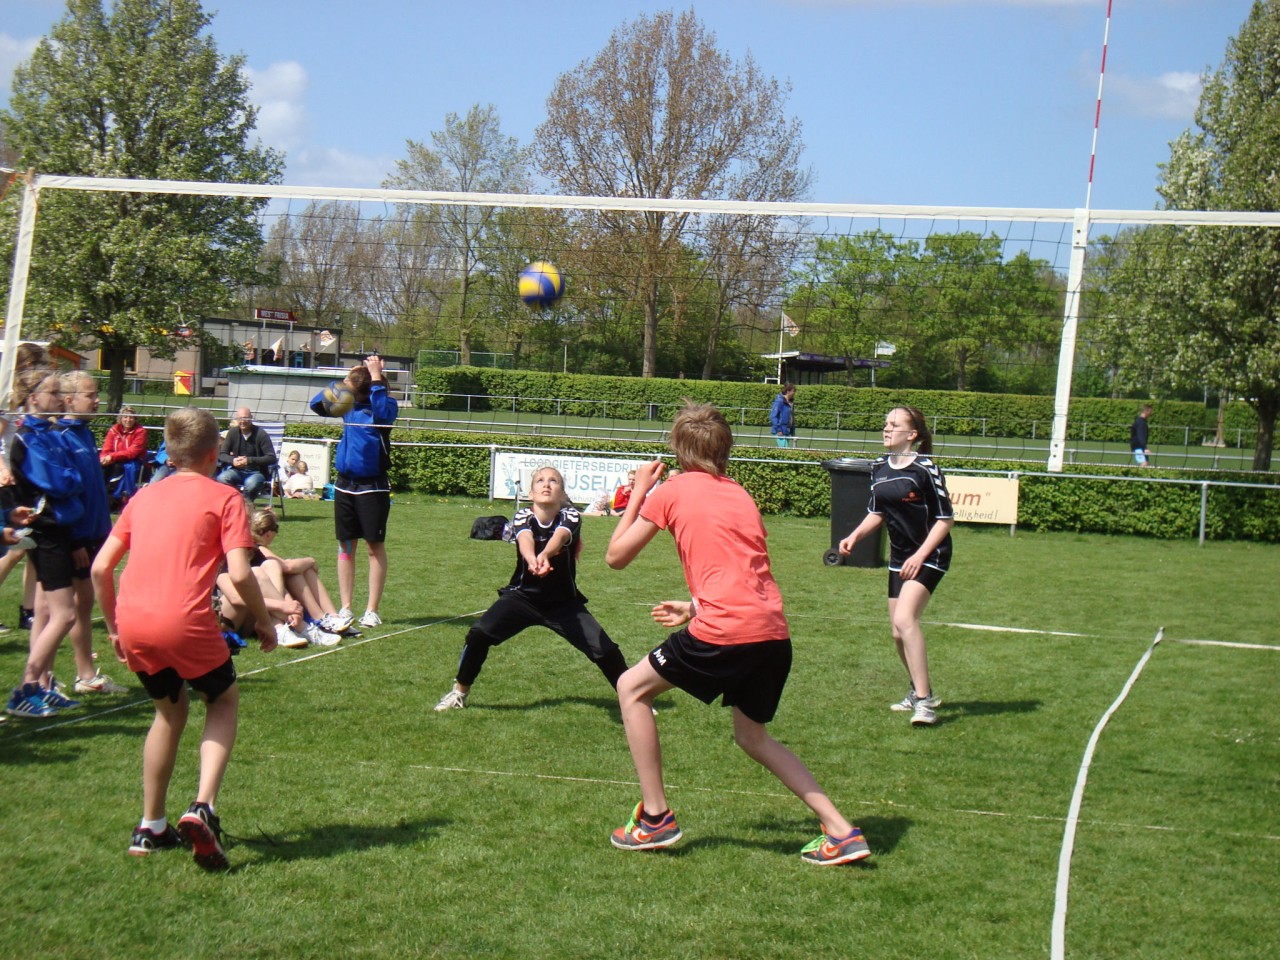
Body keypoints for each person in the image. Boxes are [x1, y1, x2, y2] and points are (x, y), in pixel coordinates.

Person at [603, 402, 871, 865]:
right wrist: (693, 605)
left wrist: (643, 494)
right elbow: (741, 570)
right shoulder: (740, 494)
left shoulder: (670, 491)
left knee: (630, 688)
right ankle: (842, 831)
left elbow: (615, 557)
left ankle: (655, 819)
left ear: (678, 448)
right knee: (752, 737)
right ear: (726, 449)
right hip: (771, 632)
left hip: (724, 631)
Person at [90, 407, 277, 870]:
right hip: (185, 621)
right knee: (223, 699)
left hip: (134, 622)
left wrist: (114, 628)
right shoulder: (226, 498)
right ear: (215, 453)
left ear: (170, 454)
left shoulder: (143, 496)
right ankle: (203, 808)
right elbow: (239, 572)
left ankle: (149, 825)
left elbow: (100, 568)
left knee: (169, 713)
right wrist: (264, 620)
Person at [434, 466, 628, 712]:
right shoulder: (522, 515)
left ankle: (632, 698)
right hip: (522, 598)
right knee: (479, 634)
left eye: (553, 481)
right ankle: (459, 693)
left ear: (562, 492)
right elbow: (524, 537)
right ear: (531, 491)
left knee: (605, 649)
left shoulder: (571, 516)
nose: (546, 484)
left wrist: (545, 554)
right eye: (540, 480)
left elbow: (560, 536)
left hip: (563, 604)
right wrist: (532, 558)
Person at [838, 406, 954, 727]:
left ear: (912, 435)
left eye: (894, 424)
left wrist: (920, 556)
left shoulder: (925, 468)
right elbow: (877, 512)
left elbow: (946, 519)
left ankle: (925, 703)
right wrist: (854, 535)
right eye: (885, 423)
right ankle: (920, 690)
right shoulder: (878, 467)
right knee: (896, 632)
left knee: (906, 619)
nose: (886, 429)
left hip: (931, 552)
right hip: (901, 557)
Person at [4, 366, 86, 719]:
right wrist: (71, 477)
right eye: (52, 392)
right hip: (46, 529)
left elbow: (73, 474)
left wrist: (71, 476)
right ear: (33, 397)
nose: (59, 398)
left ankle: (43, 686)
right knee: (65, 614)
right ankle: (25, 688)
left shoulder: (51, 433)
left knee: (49, 612)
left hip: (60, 527)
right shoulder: (27, 438)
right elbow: (59, 481)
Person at [309, 355, 398, 629]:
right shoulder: (346, 406)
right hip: (345, 485)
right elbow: (315, 405)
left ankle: (372, 610)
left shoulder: (383, 406)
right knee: (346, 546)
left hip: (373, 487)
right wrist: (342, 384)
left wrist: (374, 377)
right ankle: (345, 607)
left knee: (374, 547)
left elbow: (383, 414)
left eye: (349, 383)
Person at [57, 371, 129, 695]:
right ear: (69, 399)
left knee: (84, 603)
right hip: (79, 536)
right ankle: (81, 675)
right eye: (90, 394)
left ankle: (80, 673)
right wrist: (74, 540)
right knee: (76, 605)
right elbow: (63, 494)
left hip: (97, 530)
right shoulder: (62, 435)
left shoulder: (84, 432)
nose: (97, 399)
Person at [248, 509, 352, 641]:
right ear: (268, 533)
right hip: (269, 603)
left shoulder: (257, 548)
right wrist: (310, 560)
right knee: (296, 573)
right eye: (276, 529)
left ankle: (331, 617)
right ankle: (322, 618)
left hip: (273, 599)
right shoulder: (260, 549)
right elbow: (287, 567)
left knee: (303, 570)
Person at [215, 407, 277, 501]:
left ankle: (245, 507)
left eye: (245, 418)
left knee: (252, 484)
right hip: (236, 471)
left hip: (256, 472)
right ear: (236, 419)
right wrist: (233, 460)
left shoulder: (261, 434)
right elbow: (222, 454)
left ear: (251, 418)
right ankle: (236, 500)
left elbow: (271, 458)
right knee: (222, 478)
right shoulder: (233, 433)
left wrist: (248, 460)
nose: (242, 421)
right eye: (240, 418)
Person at [99, 405, 149, 507]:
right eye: (125, 417)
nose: (128, 420)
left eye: (131, 417)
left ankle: (120, 497)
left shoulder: (140, 432)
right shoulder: (114, 430)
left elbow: (132, 452)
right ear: (120, 418)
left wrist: (112, 457)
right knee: (102, 467)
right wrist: (103, 458)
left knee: (123, 468)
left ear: (135, 419)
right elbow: (106, 448)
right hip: (115, 459)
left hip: (133, 460)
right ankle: (101, 495)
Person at [769, 382, 796, 448]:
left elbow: (791, 417)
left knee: (785, 450)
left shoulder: (791, 402)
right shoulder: (779, 401)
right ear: (788, 391)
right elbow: (773, 416)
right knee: (785, 449)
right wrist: (779, 430)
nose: (794, 393)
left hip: (787, 430)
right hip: (780, 430)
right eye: (793, 391)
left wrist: (792, 430)